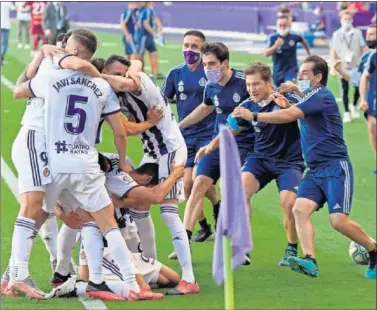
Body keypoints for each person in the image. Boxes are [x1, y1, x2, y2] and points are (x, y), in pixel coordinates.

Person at [232, 55, 377, 280]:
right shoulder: (309, 97)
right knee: (298, 209)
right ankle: (310, 260)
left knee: (338, 221)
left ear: (317, 77)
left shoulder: (323, 95)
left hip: (336, 167)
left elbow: (291, 114)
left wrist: (255, 116)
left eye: (304, 74)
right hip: (314, 169)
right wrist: (295, 96)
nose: (298, 76)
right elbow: (297, 108)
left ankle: (373, 249)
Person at [1, 30, 104, 299]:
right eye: (60, 45)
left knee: (45, 210)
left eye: (65, 46)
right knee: (33, 205)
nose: (60, 48)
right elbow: (20, 90)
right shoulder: (58, 67)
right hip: (36, 138)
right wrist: (42, 55)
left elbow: (24, 85)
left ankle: (11, 274)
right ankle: (19, 274)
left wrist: (41, 55)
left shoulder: (65, 68)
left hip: (52, 147)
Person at [101, 55, 200, 295]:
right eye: (116, 72)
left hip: (170, 149)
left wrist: (97, 75)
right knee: (140, 210)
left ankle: (189, 278)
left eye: (123, 72)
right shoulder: (115, 89)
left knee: (168, 214)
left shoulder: (135, 81)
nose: (122, 76)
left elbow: (130, 79)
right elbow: (126, 127)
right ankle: (149, 261)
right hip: (152, 152)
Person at [196, 62, 304, 267]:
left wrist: (292, 99)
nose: (252, 89)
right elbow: (230, 130)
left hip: (289, 161)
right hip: (261, 159)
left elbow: (293, 112)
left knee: (288, 204)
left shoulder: (285, 99)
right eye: (248, 85)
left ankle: (291, 247)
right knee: (239, 190)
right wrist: (209, 146)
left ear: (268, 83)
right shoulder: (246, 106)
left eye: (256, 84)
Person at [172, 42, 254, 263]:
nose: (207, 68)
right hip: (216, 144)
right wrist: (180, 125)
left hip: (244, 145)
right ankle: (184, 241)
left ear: (225, 63)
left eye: (212, 64)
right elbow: (204, 108)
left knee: (236, 191)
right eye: (205, 64)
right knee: (198, 184)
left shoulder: (244, 83)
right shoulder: (211, 86)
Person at [162, 30, 219, 242]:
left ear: (203, 49)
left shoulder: (211, 73)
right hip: (184, 137)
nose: (189, 50)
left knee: (197, 180)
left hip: (208, 134)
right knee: (186, 186)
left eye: (194, 46)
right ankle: (206, 224)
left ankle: (214, 211)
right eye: (186, 45)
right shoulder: (175, 74)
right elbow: (163, 102)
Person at [334, 24, 376, 167]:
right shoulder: (367, 57)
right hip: (373, 99)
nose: (368, 37)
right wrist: (340, 71)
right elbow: (356, 79)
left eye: (372, 35)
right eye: (368, 34)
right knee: (372, 128)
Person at [330, 11, 366, 123]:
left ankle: (354, 106)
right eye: (345, 19)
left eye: (349, 19)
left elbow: (363, 47)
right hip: (343, 65)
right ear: (341, 20)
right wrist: (333, 65)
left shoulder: (357, 33)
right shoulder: (336, 34)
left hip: (356, 65)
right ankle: (346, 112)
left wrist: (364, 61)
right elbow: (333, 50)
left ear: (352, 20)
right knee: (344, 89)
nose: (347, 21)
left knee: (358, 88)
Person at [264, 15, 311, 87]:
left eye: (285, 25)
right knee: (279, 91)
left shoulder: (294, 36)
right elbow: (266, 54)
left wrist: (308, 54)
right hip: (278, 71)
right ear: (277, 26)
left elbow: (303, 41)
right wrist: (275, 46)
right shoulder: (272, 37)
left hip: (291, 68)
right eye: (280, 25)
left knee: (289, 86)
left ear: (289, 25)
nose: (282, 27)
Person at [134, 2, 164, 80]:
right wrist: (154, 32)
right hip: (144, 36)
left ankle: (153, 73)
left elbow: (154, 18)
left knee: (153, 53)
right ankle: (138, 71)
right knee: (140, 55)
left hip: (146, 36)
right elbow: (145, 24)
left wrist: (159, 26)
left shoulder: (146, 10)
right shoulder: (146, 10)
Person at [359, 49, 376, 175]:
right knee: (372, 128)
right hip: (374, 98)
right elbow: (364, 77)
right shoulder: (373, 56)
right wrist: (363, 99)